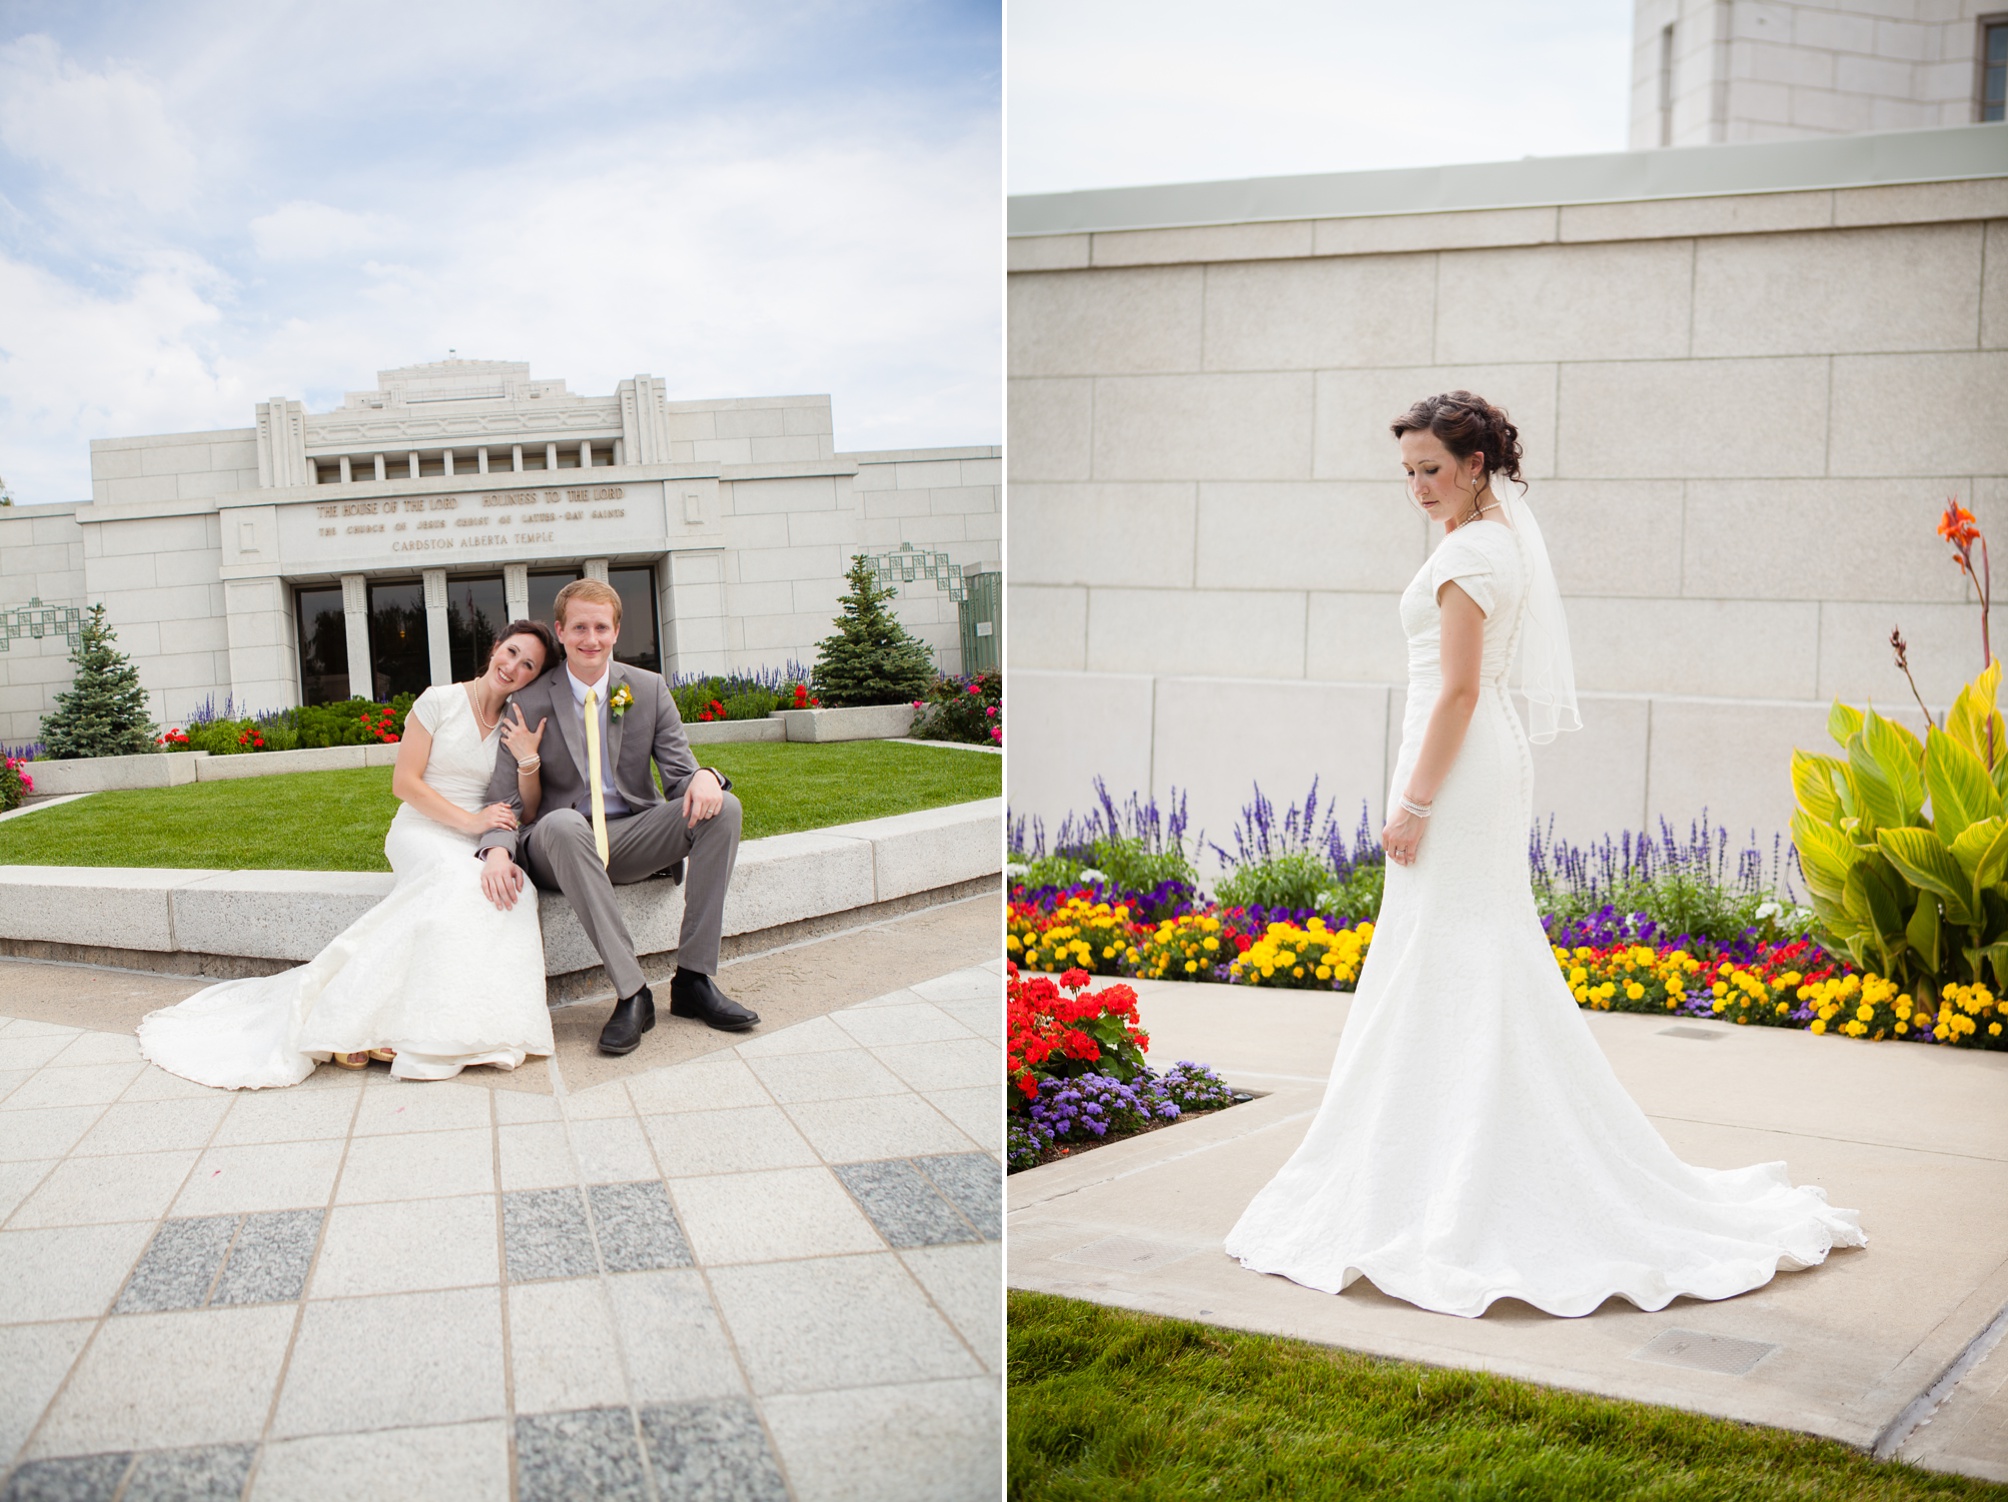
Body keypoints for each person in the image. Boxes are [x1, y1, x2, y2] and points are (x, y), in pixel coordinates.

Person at [1222, 391, 1866, 1318]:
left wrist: (1412, 804)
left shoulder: (1476, 551)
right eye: (1406, 472)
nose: (1416, 487)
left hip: (1461, 770)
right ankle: (1452, 1149)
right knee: (1459, 957)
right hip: (1473, 763)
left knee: (1465, 953)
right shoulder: (1482, 539)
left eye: (1431, 469)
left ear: (1476, 464)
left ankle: (1479, 1172)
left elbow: (1457, 693)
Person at [137, 621, 562, 1088]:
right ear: (495, 648)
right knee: (453, 880)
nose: (514, 667)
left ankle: (454, 1023)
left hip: (475, 838)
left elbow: (529, 805)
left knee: (513, 897)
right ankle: (350, 1017)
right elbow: (405, 783)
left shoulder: (513, 723)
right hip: (423, 828)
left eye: (529, 665)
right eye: (512, 652)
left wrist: (528, 760)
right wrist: (469, 822)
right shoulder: (437, 701)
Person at [474, 578, 758, 1056]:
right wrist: (497, 851)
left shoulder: (646, 689)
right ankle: (633, 993)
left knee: (723, 808)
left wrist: (707, 775)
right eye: (579, 627)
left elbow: (679, 775)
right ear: (561, 632)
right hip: (559, 842)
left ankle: (693, 980)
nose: (591, 638)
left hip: (631, 834)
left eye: (601, 627)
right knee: (565, 825)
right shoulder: (528, 700)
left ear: (616, 631)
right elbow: (506, 797)